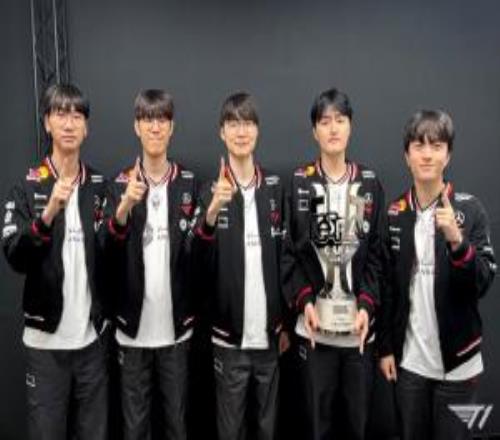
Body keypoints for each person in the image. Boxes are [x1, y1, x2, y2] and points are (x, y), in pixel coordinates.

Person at [378, 109, 497, 440]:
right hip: (410, 365)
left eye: (436, 145)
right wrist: (385, 348)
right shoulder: (395, 213)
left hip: (458, 366)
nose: (427, 154)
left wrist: (457, 242)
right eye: (419, 145)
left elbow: (483, 281)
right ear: (407, 156)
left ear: (448, 155)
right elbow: (388, 288)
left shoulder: (469, 210)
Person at [2, 83, 108, 440]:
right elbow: (15, 255)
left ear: (86, 127)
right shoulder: (28, 185)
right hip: (45, 346)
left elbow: (112, 256)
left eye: (77, 116)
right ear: (47, 122)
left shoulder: (99, 186)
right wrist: (47, 215)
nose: (69, 123)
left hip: (91, 343)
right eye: (61, 114)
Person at [282, 87, 385, 439]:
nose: (333, 128)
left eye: (340, 120)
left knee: (357, 427)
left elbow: (377, 256)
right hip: (314, 334)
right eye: (325, 122)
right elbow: (289, 254)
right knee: (317, 427)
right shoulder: (300, 182)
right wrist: (305, 302)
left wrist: (366, 307)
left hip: (358, 334)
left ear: (350, 126)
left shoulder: (368, 183)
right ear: (315, 131)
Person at [100, 89, 197, 440]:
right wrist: (124, 207)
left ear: (172, 127)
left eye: (162, 119)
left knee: (177, 426)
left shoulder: (188, 183)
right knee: (134, 428)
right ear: (136, 127)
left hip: (176, 331)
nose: (155, 127)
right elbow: (105, 254)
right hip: (131, 332)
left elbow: (200, 255)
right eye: (147, 119)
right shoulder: (118, 184)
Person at [192, 91, 289, 440]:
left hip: (270, 339)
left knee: (267, 428)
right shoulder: (209, 193)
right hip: (227, 340)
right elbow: (195, 264)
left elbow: (287, 260)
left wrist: (284, 324)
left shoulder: (275, 189)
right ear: (222, 133)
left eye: (247, 123)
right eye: (233, 124)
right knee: (230, 430)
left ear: (257, 131)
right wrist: (212, 213)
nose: (241, 131)